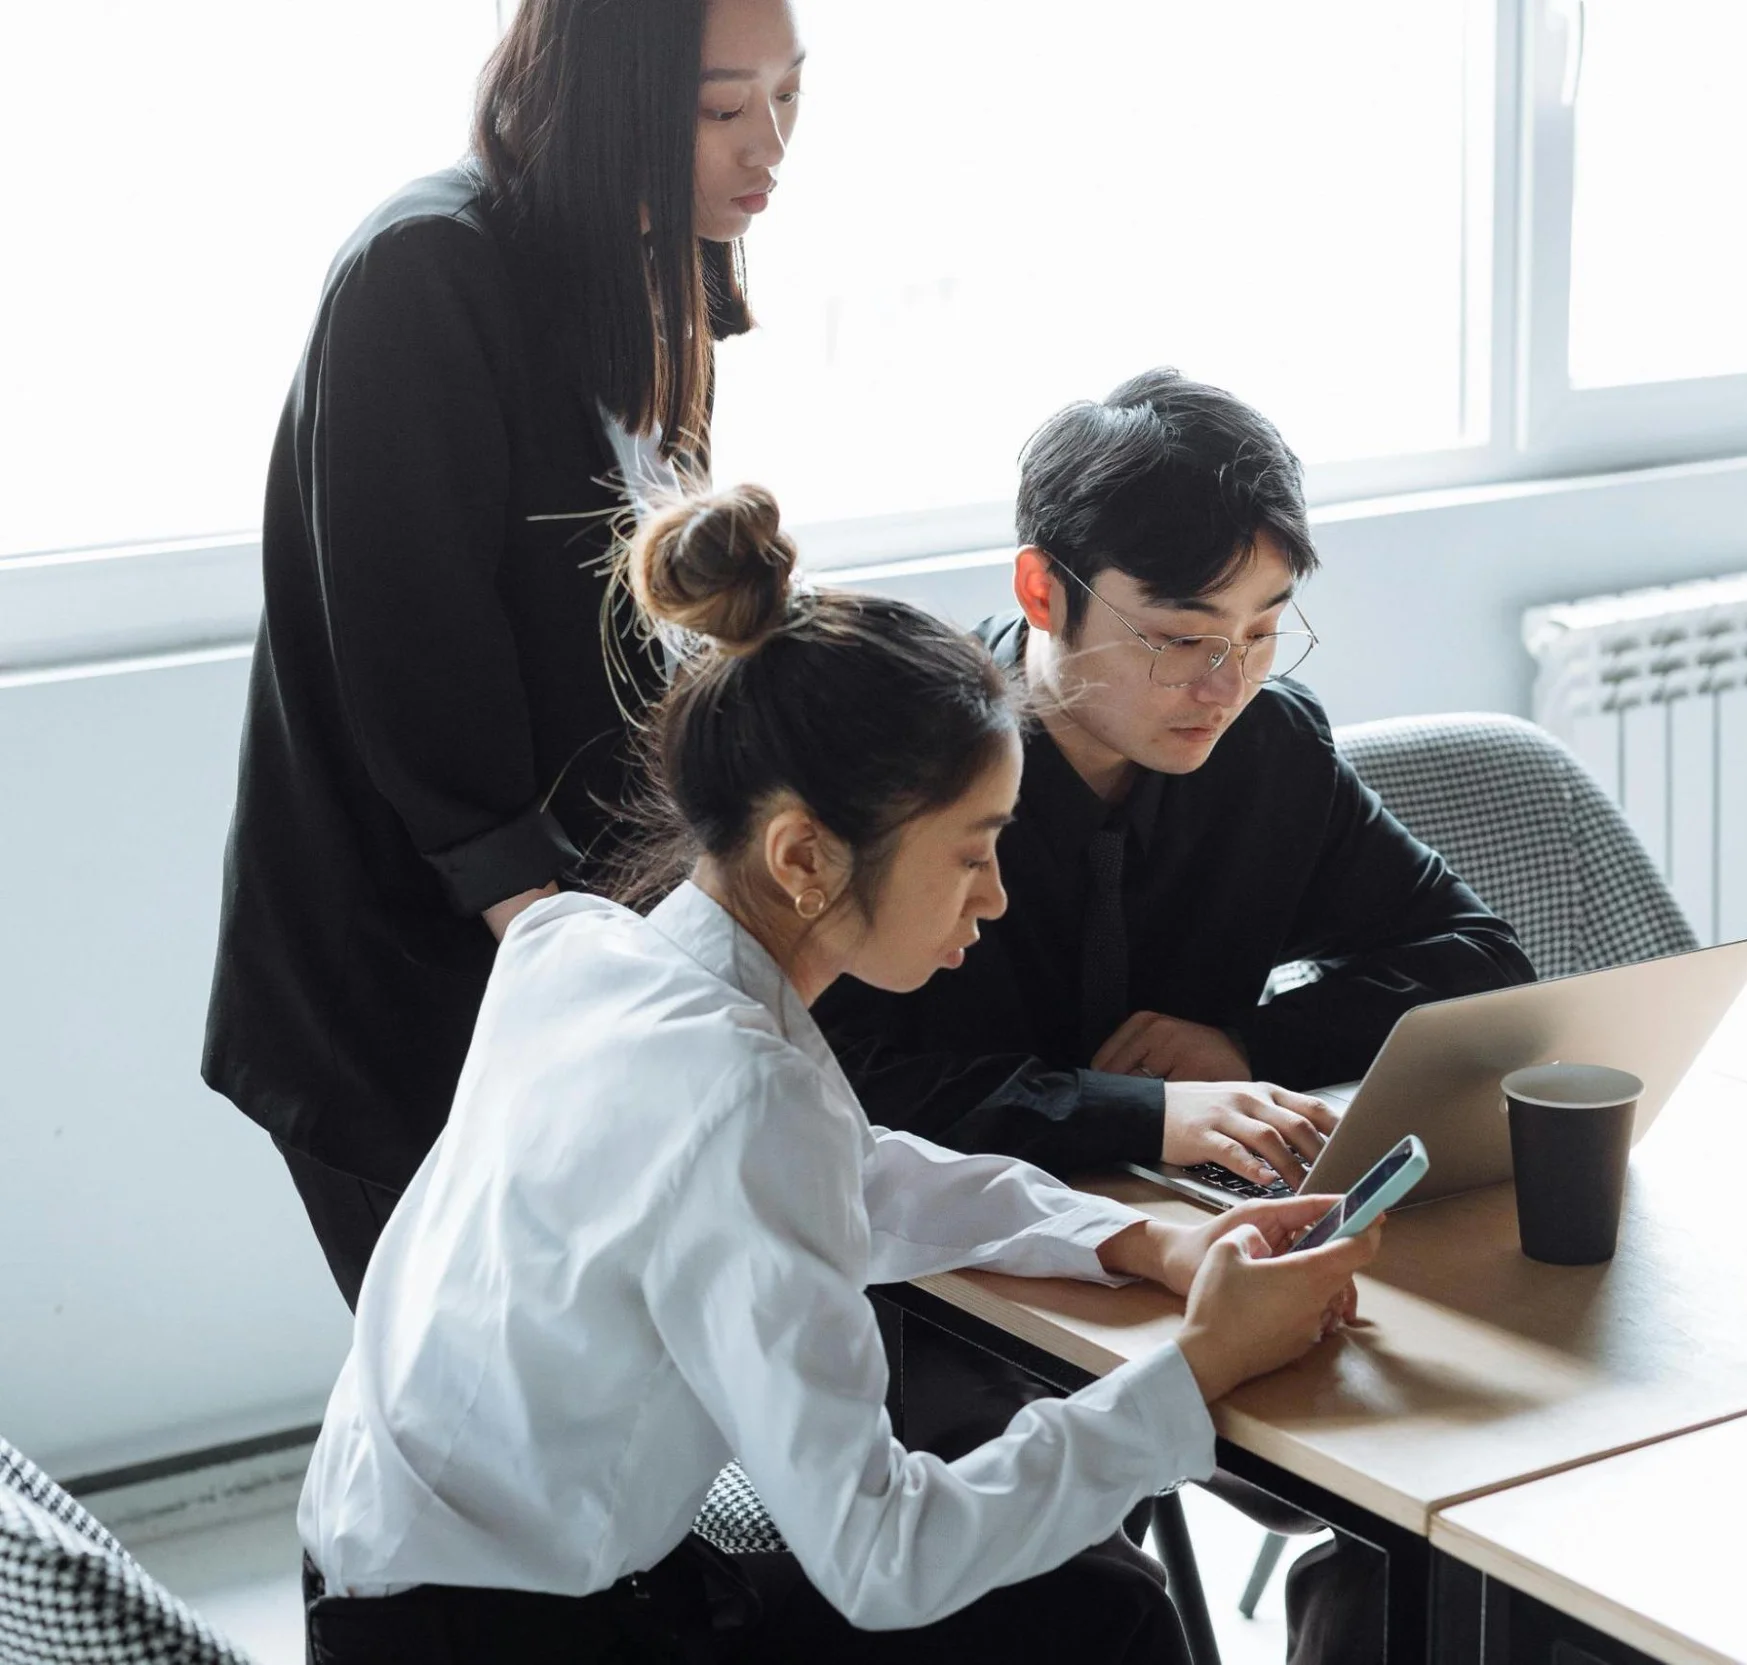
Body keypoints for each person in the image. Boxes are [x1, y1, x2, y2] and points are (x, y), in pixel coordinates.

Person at [295, 484, 1385, 1664]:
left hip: (391, 1583)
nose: (996, 897)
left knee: (1090, 1604)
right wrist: (1203, 1362)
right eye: (973, 852)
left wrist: (1138, 1243)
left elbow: (855, 1175)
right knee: (1098, 1622)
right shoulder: (740, 1092)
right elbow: (885, 1559)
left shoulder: (582, 949)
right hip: (500, 1640)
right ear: (805, 857)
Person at [815, 368, 1537, 1662]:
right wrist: (1144, 1111)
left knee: (1483, 1499)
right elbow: (848, 1093)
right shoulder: (906, 769)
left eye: (1263, 631)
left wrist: (1248, 1049)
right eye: (1179, 636)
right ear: (1042, 591)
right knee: (1082, 1606)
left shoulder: (1268, 755)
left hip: (1200, 1263)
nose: (1225, 681)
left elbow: (1480, 958)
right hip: (929, 1295)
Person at [202, 0, 806, 1308]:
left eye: (788, 96)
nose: (768, 145)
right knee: (468, 1399)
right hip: (409, 976)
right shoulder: (424, 273)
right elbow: (415, 660)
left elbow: (632, 622)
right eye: (721, 108)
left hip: (573, 953)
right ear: (612, 95)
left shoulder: (663, 259)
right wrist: (574, 969)